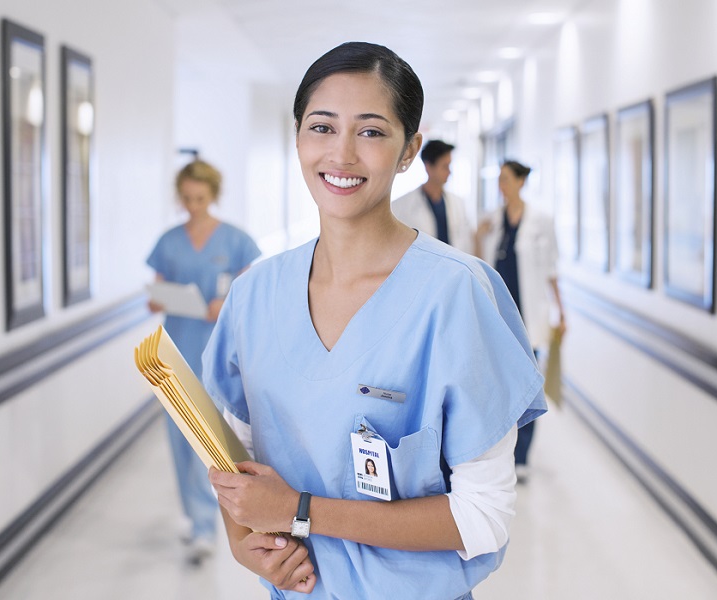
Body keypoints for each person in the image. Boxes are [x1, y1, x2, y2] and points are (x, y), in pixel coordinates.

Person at [203, 42, 546, 599]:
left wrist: (301, 512)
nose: (340, 155)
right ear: (297, 138)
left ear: (409, 149)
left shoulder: (457, 294)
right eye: (321, 127)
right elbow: (233, 464)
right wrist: (245, 544)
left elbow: (483, 517)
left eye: (370, 132)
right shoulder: (254, 296)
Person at [146, 159, 261, 564]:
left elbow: (248, 294)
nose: (193, 206)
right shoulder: (168, 241)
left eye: (200, 198)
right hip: (173, 356)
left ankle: (208, 526)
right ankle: (195, 518)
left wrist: (223, 304)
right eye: (187, 199)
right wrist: (158, 298)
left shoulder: (235, 241)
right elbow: (155, 291)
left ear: (213, 196)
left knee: (209, 443)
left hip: (217, 358)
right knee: (179, 441)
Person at [475, 160, 566, 483]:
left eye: (506, 179)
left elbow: (552, 270)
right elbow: (477, 264)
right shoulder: (492, 220)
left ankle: (523, 456)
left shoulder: (541, 221)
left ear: (520, 182)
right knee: (499, 388)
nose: (501, 185)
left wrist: (561, 312)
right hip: (498, 317)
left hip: (529, 319)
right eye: (499, 179)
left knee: (528, 388)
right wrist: (478, 235)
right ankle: (500, 451)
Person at [391, 139, 475, 254]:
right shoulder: (401, 206)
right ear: (428, 167)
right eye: (445, 166)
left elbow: (466, 240)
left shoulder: (457, 203)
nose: (449, 172)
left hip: (454, 267)